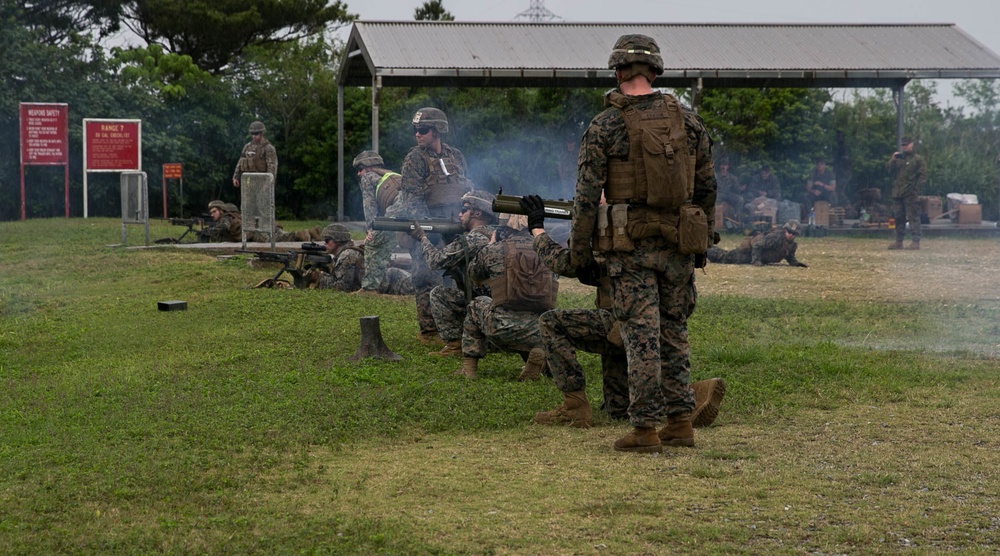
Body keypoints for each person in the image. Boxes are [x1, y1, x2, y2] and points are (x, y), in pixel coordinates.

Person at [569, 34, 717, 453]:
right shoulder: (689, 121)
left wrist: (580, 254)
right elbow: (707, 187)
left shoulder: (605, 125)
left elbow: (585, 197)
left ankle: (645, 430)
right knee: (674, 332)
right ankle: (680, 422)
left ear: (618, 72)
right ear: (655, 72)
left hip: (629, 248)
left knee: (640, 336)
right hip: (678, 246)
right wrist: (699, 243)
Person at [521, 195, 725, 427]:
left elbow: (566, 264)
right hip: (659, 321)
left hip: (627, 320)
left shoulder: (619, 228)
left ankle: (574, 406)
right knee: (618, 409)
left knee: (551, 322)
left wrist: (537, 230)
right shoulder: (661, 222)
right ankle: (687, 398)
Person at [411, 190, 498, 358]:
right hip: (497, 301)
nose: (459, 214)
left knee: (439, 294)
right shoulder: (495, 234)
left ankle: (455, 344)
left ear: (477, 213)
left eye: (463, 209)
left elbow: (436, 261)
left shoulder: (473, 239)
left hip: (483, 304)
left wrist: (422, 238)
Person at [314, 224, 413, 295]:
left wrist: (319, 278)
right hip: (390, 283)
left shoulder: (347, 255)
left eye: (327, 241)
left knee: (423, 290)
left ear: (338, 240)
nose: (325, 244)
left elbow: (342, 287)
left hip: (397, 282)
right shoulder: (344, 254)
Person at [353, 150, 402, 291]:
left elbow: (369, 206)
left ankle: (369, 289)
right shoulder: (394, 175)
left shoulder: (368, 177)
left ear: (368, 166)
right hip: (411, 212)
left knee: (373, 244)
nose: (359, 174)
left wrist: (371, 229)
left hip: (397, 210)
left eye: (360, 169)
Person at [706, 220, 808, 267]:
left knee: (724, 256)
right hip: (747, 254)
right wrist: (756, 261)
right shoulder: (776, 237)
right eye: (789, 232)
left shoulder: (792, 246)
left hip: (753, 256)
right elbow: (757, 245)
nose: (791, 235)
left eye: (794, 234)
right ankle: (704, 250)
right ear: (785, 230)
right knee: (723, 258)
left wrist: (796, 263)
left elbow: (789, 257)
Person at [886, 137, 926, 250]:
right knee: (898, 217)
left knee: (913, 217)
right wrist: (893, 160)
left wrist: (916, 190)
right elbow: (889, 171)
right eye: (903, 145)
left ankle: (915, 241)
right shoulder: (899, 159)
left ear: (912, 144)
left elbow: (922, 176)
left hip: (910, 193)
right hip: (898, 193)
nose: (905, 147)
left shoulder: (917, 159)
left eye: (907, 144)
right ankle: (899, 241)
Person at [232, 121, 278, 189]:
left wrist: (269, 183)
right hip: (248, 181)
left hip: (262, 181)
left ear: (262, 133)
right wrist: (236, 177)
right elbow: (240, 162)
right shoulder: (247, 147)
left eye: (256, 134)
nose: (254, 136)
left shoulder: (268, 148)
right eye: (252, 134)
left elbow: (272, 167)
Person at [715, 160, 745, 225]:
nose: (723, 167)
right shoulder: (715, 176)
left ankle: (737, 217)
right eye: (722, 165)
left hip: (728, 194)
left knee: (740, 199)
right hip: (719, 194)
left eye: (725, 165)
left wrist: (741, 188)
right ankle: (716, 219)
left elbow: (737, 190)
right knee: (714, 200)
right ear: (720, 166)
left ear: (727, 166)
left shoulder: (732, 177)